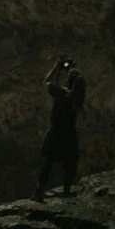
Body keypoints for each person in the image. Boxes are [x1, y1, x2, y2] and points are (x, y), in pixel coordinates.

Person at [36, 56, 85, 197]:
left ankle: (39, 190)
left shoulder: (61, 94)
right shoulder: (76, 99)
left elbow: (47, 82)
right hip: (69, 133)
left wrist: (57, 68)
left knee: (48, 162)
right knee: (69, 163)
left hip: (56, 131)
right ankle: (67, 190)